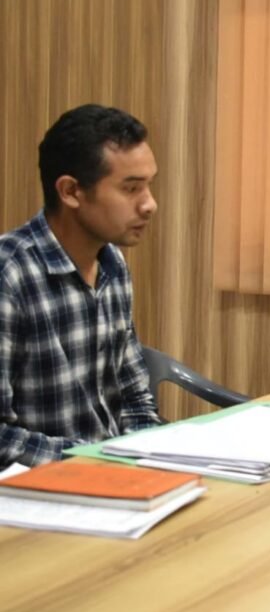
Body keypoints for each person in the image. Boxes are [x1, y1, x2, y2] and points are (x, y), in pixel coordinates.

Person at [0, 104, 162, 468]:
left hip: (115, 475)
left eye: (149, 185)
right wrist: (96, 463)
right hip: (43, 487)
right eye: (131, 188)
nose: (150, 204)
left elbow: (134, 397)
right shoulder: (10, 276)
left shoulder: (112, 263)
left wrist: (152, 457)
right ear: (71, 191)